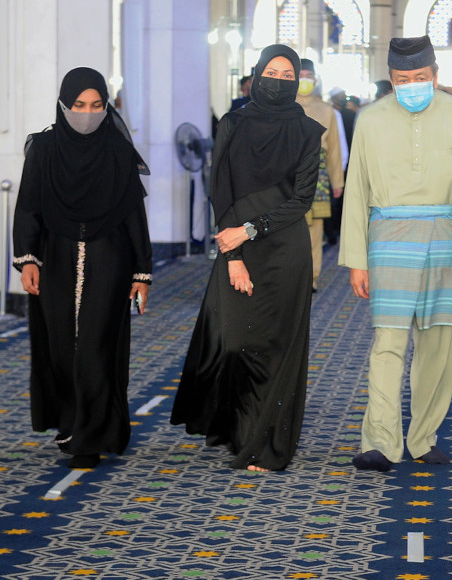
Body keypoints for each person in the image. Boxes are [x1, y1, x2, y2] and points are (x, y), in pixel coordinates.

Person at [339, 35, 452, 472]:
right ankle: (380, 442)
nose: (412, 85)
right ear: (390, 79)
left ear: (435, 76)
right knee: (388, 342)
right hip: (387, 237)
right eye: (403, 79)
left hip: (447, 236)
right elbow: (357, 190)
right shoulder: (369, 120)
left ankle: (423, 438)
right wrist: (356, 258)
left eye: (421, 77)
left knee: (438, 346)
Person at [171, 44, 324, 471]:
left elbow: (302, 199)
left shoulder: (308, 131)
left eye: (286, 74)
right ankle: (237, 425)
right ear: (256, 74)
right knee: (236, 342)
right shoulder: (233, 124)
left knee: (277, 345)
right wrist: (235, 250)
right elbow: (222, 190)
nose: (279, 79)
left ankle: (267, 443)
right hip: (233, 247)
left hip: (284, 250)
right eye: (271, 71)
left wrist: (252, 230)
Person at [13, 67, 152, 469]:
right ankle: (69, 423)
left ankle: (91, 435)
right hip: (54, 260)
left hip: (110, 259)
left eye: (96, 105)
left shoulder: (117, 150)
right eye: (78, 105)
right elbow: (29, 207)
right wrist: (27, 259)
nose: (87, 113)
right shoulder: (44, 148)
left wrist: (141, 271)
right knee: (60, 348)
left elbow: (132, 215)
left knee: (95, 346)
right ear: (63, 104)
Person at [297, 59, 345, 291]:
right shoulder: (281, 106)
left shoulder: (327, 110)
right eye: (300, 75)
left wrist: (338, 181)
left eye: (309, 75)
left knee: (314, 230)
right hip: (285, 175)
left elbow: (335, 149)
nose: (304, 80)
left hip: (317, 174)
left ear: (315, 80)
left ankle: (311, 278)